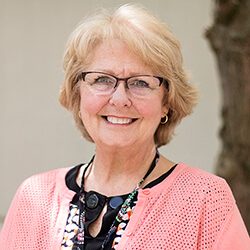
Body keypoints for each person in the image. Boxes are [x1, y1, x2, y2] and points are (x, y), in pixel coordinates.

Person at [0, 4, 249, 250]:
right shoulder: (33, 198)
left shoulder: (206, 199)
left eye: (140, 83)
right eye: (102, 79)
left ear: (167, 102)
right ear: (78, 95)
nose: (119, 99)